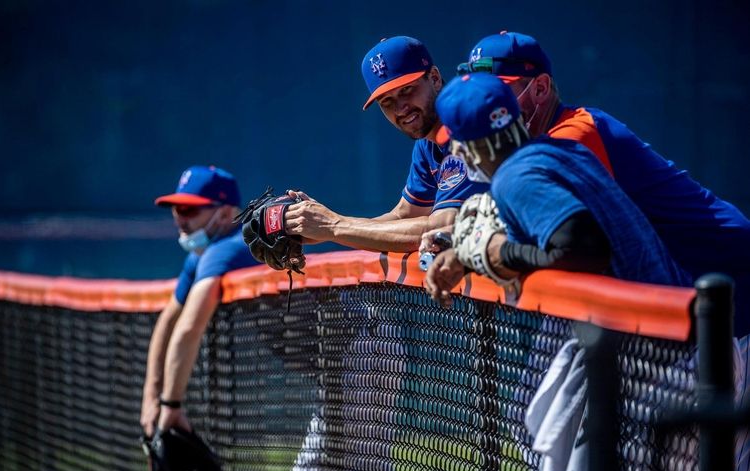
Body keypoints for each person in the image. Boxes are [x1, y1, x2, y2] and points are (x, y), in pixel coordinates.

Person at [449, 30, 750, 337]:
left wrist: (464, 247)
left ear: (540, 88)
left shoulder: (572, 134)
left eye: (499, 93)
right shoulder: (527, 154)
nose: (485, 105)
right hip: (680, 289)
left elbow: (560, 235)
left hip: (723, 269)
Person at [425, 72, 690, 308]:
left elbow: (586, 250)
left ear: (470, 142)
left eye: (455, 141)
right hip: (676, 326)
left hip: (655, 343)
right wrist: (467, 259)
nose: (455, 150)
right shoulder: (555, 151)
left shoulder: (514, 177)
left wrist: (499, 252)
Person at [282, 36, 489, 252]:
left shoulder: (466, 126)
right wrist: (324, 227)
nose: (400, 108)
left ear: (435, 78)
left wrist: (333, 226)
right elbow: (404, 214)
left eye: (406, 90)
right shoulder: (427, 142)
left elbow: (442, 228)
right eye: (387, 102)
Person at [140, 165, 255, 437]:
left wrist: (170, 405)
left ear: (225, 213)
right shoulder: (202, 255)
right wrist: (151, 397)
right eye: (176, 209)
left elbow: (189, 327)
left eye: (189, 210)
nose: (180, 219)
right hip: (338, 362)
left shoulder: (228, 248)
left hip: (358, 352)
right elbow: (170, 320)